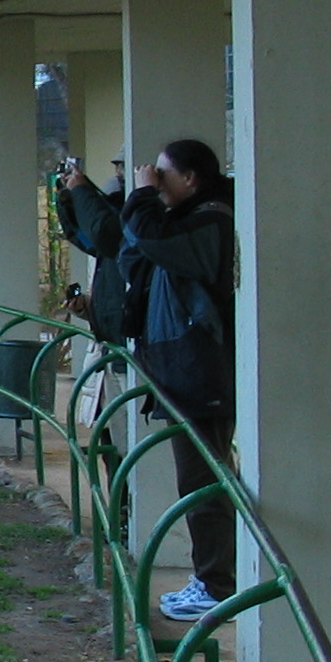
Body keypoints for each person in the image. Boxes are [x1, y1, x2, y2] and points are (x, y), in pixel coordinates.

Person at [121, 138, 238, 623]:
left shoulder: (211, 221)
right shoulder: (194, 220)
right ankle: (211, 578)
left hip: (201, 377)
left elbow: (150, 239)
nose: (155, 181)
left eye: (163, 174)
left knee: (202, 481)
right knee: (198, 479)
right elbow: (131, 253)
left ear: (190, 178)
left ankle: (218, 586)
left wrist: (144, 196)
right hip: (187, 375)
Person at [54, 157, 126, 341]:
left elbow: (104, 234)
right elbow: (84, 237)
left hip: (125, 340)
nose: (118, 171)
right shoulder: (107, 250)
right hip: (110, 335)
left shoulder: (127, 232)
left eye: (122, 166)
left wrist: (81, 191)